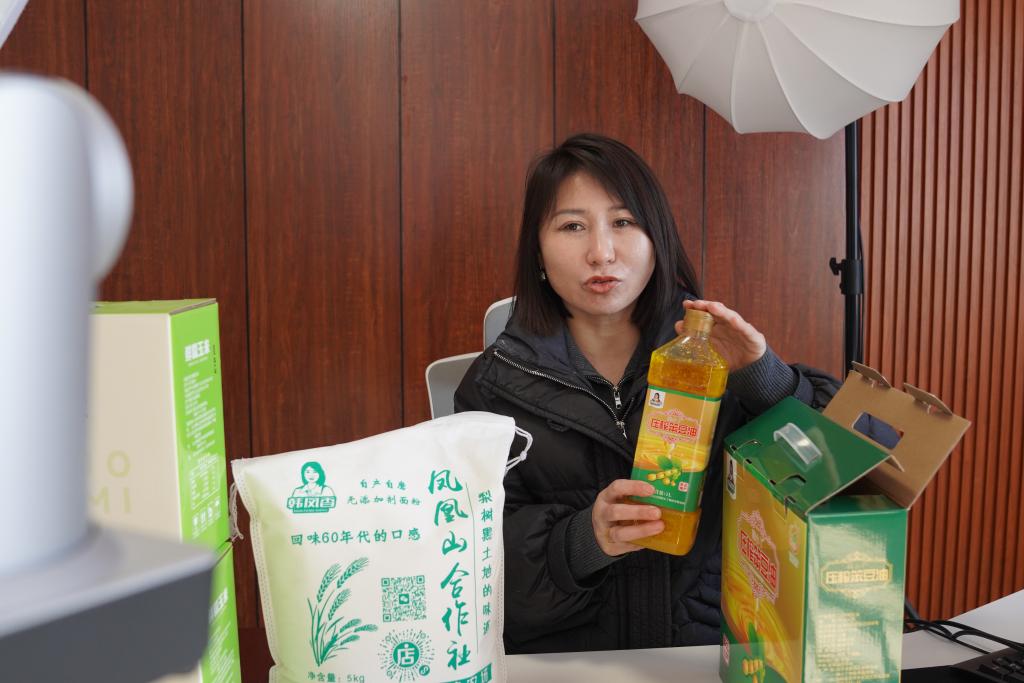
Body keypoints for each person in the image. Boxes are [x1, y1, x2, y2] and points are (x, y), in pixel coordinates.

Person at [454, 133, 839, 654]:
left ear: (657, 239)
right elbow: (469, 567)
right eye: (572, 226)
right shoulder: (492, 389)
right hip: (571, 664)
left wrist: (763, 379)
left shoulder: (721, 359)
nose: (601, 252)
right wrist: (585, 541)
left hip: (713, 655)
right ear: (538, 251)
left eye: (623, 222)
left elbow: (846, 483)